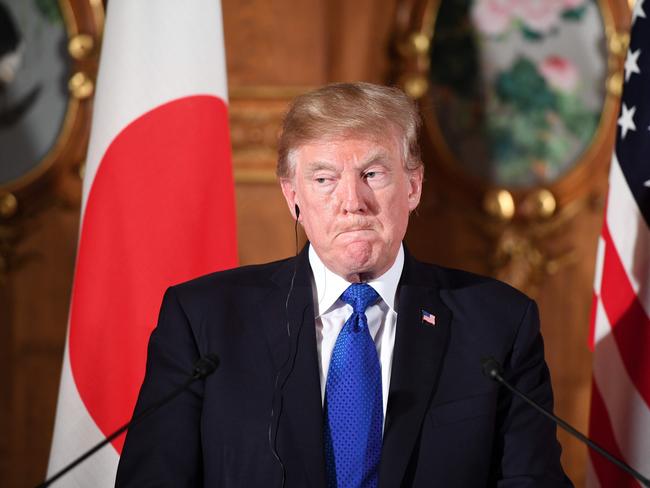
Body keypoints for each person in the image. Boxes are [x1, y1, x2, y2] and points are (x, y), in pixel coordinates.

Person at [116, 82, 572, 487]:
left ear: (413, 186)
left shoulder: (498, 324)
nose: (352, 202)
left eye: (372, 174)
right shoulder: (205, 321)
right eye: (324, 179)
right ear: (293, 197)